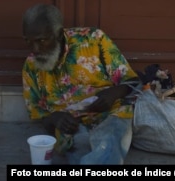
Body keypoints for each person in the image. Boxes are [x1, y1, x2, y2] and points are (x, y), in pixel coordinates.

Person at [21, 3, 139, 164]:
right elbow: (39, 116)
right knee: (78, 151)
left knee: (108, 143)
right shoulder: (31, 66)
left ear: (58, 34)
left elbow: (132, 80)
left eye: (41, 40)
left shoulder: (93, 39)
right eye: (28, 41)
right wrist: (54, 118)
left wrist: (112, 94)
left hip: (111, 114)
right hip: (72, 127)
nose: (34, 48)